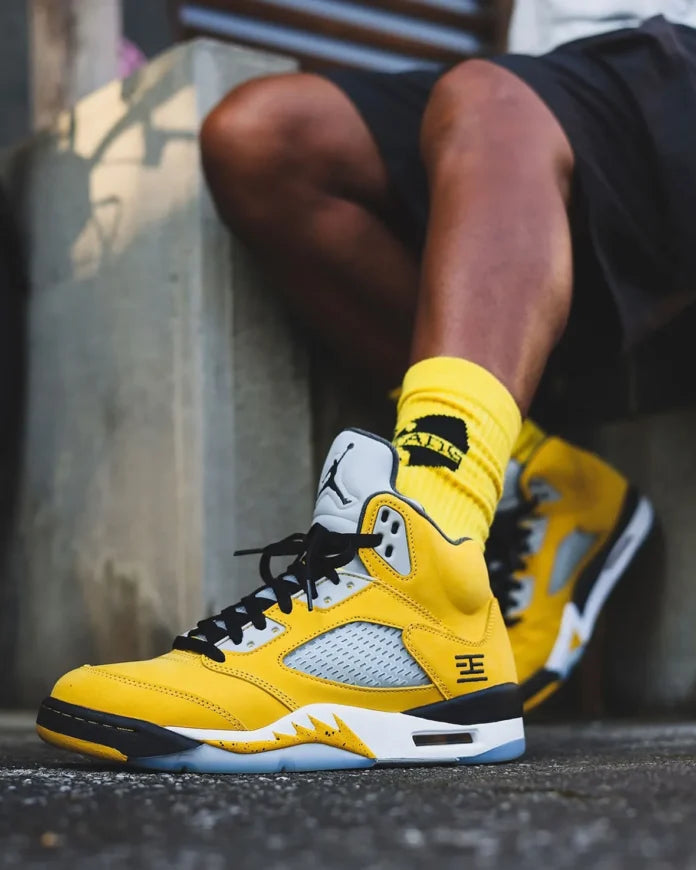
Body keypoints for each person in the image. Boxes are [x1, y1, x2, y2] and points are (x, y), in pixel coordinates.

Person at [35, 3, 695, 772]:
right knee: (263, 138)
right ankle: (542, 476)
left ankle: (432, 579)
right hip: (562, 89)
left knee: (492, 101)